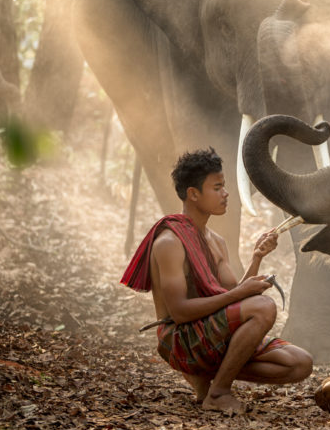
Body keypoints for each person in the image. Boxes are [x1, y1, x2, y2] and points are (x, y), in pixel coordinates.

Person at [120, 148, 312, 414]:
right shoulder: (170, 242)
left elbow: (234, 295)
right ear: (193, 194)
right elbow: (179, 312)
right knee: (264, 307)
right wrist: (241, 294)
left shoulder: (216, 241)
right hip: (180, 339)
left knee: (301, 363)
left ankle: (207, 379)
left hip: (212, 334)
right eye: (218, 187)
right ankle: (219, 392)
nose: (226, 194)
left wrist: (257, 258)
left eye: (225, 186)